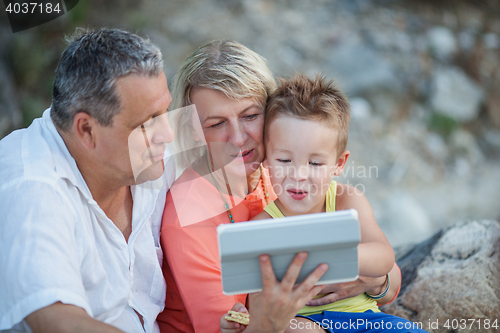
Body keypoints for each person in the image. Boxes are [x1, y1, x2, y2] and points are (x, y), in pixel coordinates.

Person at [0, 28, 328, 333]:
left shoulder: (154, 145)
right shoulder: (31, 187)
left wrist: (372, 279)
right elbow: (56, 320)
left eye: (166, 112)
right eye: (148, 123)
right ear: (87, 130)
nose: (169, 133)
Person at [157, 40, 402, 333]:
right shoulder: (189, 219)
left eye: (249, 116)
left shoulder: (281, 172)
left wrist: (370, 280)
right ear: (193, 131)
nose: (237, 137)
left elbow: (391, 280)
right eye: (216, 124)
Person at [242, 73, 427, 333]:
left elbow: (384, 257)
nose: (299, 174)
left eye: (315, 163)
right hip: (305, 323)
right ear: (266, 160)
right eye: (284, 160)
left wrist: (334, 256)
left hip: (365, 320)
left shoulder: (345, 200)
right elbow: (255, 302)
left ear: (339, 164)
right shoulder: (261, 226)